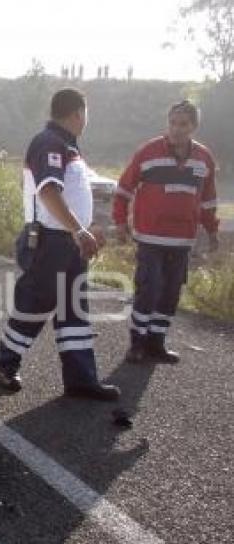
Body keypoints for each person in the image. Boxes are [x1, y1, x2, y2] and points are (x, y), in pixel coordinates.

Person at [0, 88, 120, 401]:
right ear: (79, 113)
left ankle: (81, 380)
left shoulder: (69, 147)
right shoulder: (49, 142)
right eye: (85, 113)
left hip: (68, 241)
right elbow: (49, 192)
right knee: (35, 305)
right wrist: (79, 231)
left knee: (74, 311)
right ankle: (6, 365)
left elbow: (78, 192)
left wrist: (86, 229)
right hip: (50, 241)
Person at [113, 100, 219, 364]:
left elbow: (208, 200)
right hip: (150, 237)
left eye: (183, 124)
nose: (176, 129)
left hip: (182, 240)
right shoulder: (148, 152)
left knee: (171, 291)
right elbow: (124, 189)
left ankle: (156, 343)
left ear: (194, 126)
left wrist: (213, 231)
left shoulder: (204, 158)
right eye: (172, 123)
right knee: (149, 289)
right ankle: (136, 344)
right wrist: (120, 223)